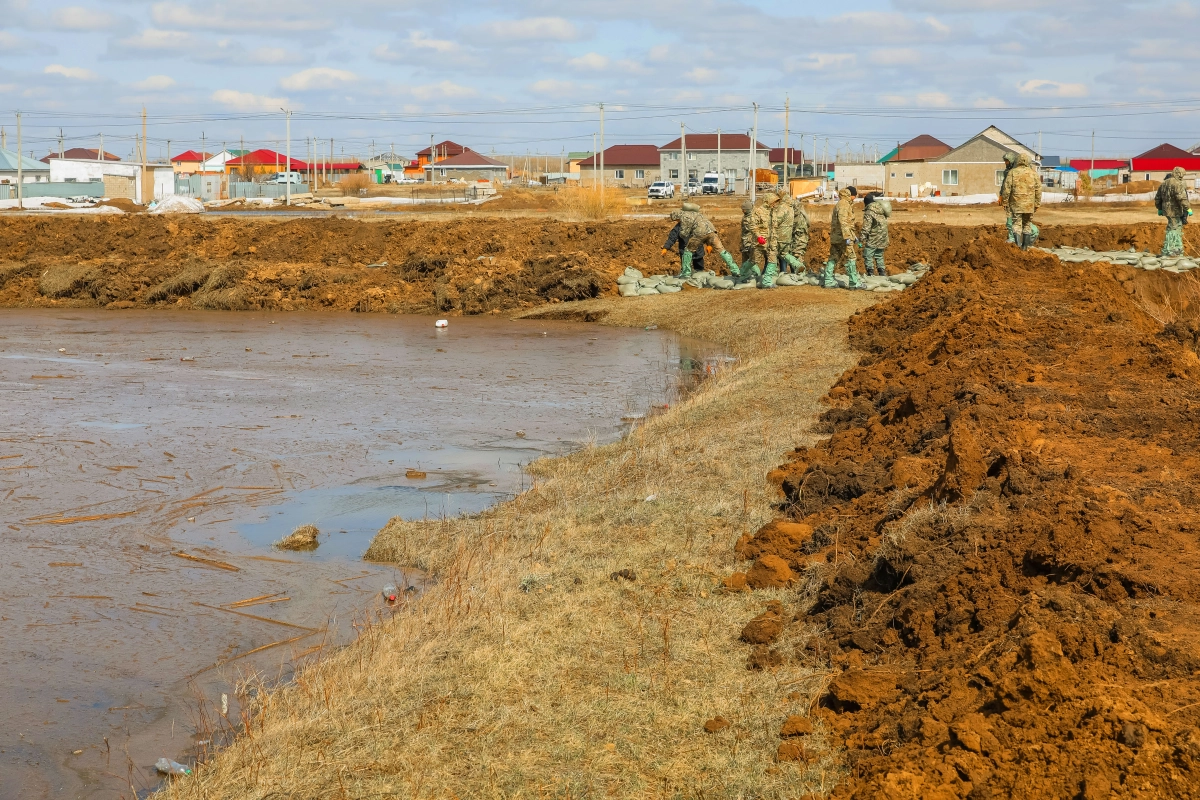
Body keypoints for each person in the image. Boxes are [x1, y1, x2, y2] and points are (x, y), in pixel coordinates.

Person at [673, 201, 738, 278]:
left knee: (687, 251)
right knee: (722, 251)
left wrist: (680, 236)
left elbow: (684, 233)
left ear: (677, 217)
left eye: (676, 220)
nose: (677, 222)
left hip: (700, 233)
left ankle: (686, 273)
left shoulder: (684, 216)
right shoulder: (698, 214)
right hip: (712, 231)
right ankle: (736, 271)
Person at [750, 191, 794, 288]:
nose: (775, 204)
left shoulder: (773, 212)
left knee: (772, 261)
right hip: (760, 241)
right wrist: (758, 236)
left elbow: (775, 226)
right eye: (773, 202)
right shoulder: (758, 211)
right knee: (753, 261)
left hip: (771, 242)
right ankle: (743, 274)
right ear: (768, 201)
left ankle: (766, 282)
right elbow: (753, 225)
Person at [822, 186, 862, 289]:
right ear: (850, 195)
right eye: (855, 195)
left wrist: (854, 236)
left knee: (833, 257)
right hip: (843, 238)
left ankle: (828, 280)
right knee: (851, 258)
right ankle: (854, 283)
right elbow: (843, 221)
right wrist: (847, 237)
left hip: (837, 237)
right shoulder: (844, 204)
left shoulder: (842, 203)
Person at [1000, 153, 1042, 250]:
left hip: (1016, 204)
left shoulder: (1012, 173)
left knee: (1016, 224)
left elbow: (1006, 189)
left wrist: (1005, 202)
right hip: (1029, 205)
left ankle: (1018, 247)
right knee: (1027, 225)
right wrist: (1037, 204)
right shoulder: (1033, 173)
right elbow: (1038, 190)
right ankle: (1024, 248)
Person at [1155, 166, 1191, 257]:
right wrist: (1188, 208)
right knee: (1174, 228)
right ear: (1179, 174)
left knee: (1171, 226)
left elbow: (1158, 198)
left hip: (1166, 210)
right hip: (1175, 210)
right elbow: (1181, 198)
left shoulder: (1163, 184)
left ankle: (1170, 249)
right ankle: (1172, 250)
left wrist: (1159, 208)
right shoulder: (1177, 184)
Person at [860, 192, 891, 276]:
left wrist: (862, 238)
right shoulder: (881, 209)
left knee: (867, 254)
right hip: (884, 236)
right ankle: (882, 272)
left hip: (874, 236)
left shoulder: (869, 212)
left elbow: (866, 227)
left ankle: (870, 273)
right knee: (879, 254)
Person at [782, 194, 810, 274]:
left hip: (800, 239)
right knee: (794, 254)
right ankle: (796, 272)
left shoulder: (798, 218)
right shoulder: (800, 215)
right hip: (797, 238)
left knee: (797, 255)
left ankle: (800, 273)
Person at [998, 152, 1018, 244]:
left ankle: (1020, 240)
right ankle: (1012, 238)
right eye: (1005, 161)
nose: (1005, 163)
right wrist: (1001, 195)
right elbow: (1004, 184)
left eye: (1007, 161)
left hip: (1017, 198)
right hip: (1009, 198)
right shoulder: (1007, 172)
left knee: (1019, 220)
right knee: (1009, 220)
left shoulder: (1016, 171)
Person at [736, 199, 757, 281]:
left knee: (750, 261)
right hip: (745, 242)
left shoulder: (749, 219)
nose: (742, 210)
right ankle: (745, 275)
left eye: (743, 209)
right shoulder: (747, 216)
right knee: (746, 260)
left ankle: (755, 274)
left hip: (749, 242)